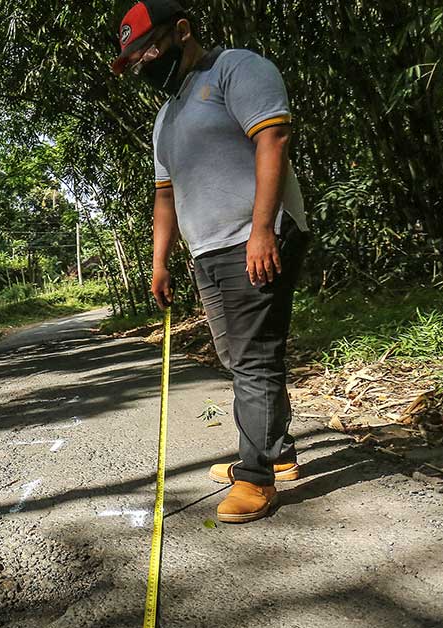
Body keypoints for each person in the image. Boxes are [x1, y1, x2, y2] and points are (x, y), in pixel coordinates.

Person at [111, 1, 310, 523]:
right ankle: (277, 451)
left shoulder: (236, 69)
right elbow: (165, 198)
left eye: (148, 49)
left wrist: (263, 229)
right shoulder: (164, 118)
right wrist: (159, 264)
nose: (144, 63)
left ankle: (257, 476)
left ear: (182, 31)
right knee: (238, 353)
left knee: (253, 358)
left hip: (256, 236)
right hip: (209, 250)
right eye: (134, 59)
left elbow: (274, 137)